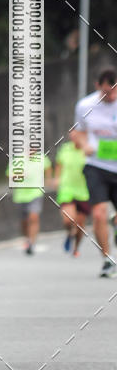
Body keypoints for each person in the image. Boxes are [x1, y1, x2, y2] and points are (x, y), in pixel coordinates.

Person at [73, 67, 117, 277]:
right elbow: (76, 132)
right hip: (96, 166)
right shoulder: (85, 106)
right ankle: (108, 259)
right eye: (108, 92)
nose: (112, 97)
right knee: (99, 213)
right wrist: (83, 145)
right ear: (98, 86)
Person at [7, 152, 52, 254]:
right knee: (24, 221)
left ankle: (32, 243)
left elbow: (48, 167)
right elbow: (9, 175)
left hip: (35, 193)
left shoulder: (41, 158)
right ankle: (27, 238)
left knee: (33, 217)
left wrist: (48, 179)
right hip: (20, 195)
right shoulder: (17, 158)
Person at [54, 130, 90, 257]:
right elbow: (59, 164)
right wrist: (57, 178)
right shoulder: (65, 149)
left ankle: (76, 247)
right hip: (67, 189)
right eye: (72, 134)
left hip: (84, 191)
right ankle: (70, 233)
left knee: (80, 225)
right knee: (68, 220)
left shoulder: (88, 150)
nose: (74, 137)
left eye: (77, 134)